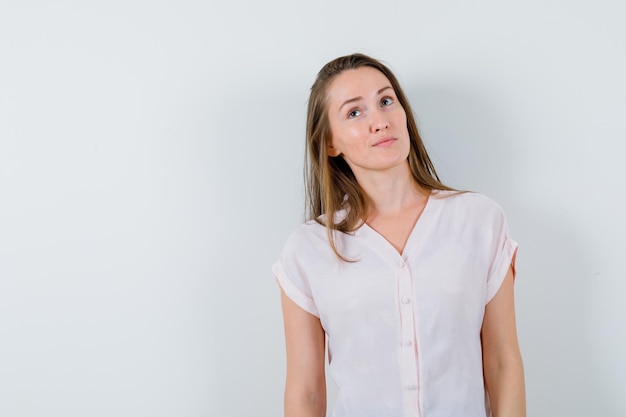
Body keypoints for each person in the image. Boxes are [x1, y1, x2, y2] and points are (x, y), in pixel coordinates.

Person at [272, 53, 525, 417]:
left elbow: (503, 364)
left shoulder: (479, 220)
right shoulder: (308, 249)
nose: (380, 121)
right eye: (354, 112)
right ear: (330, 143)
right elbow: (306, 393)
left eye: (386, 101)